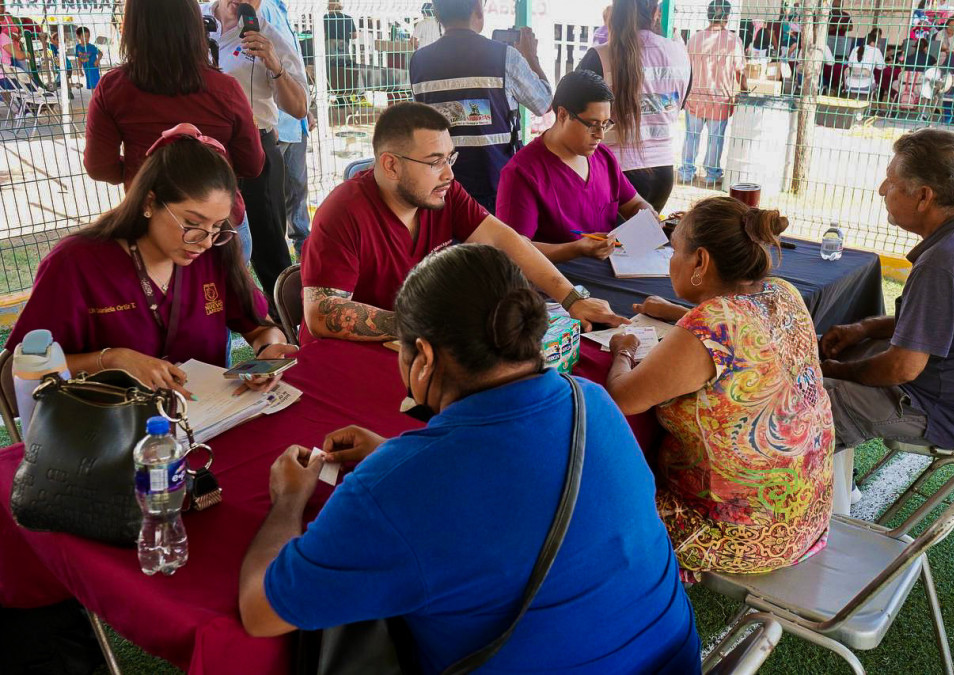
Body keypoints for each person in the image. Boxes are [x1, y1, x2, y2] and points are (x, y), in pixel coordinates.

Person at [238, 244, 702, 673]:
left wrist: (288, 501)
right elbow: (511, 490)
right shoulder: (591, 402)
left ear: (421, 356)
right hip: (673, 659)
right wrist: (391, 460)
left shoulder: (401, 490)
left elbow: (262, 613)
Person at [604, 196, 834, 581]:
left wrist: (622, 351)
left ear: (701, 262)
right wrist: (676, 313)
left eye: (675, 250)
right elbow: (748, 336)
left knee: (594, 496)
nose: (670, 262)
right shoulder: (783, 293)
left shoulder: (712, 324)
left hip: (740, 536)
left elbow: (621, 400)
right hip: (807, 517)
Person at [300, 102, 626, 342]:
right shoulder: (343, 211)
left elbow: (505, 241)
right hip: (349, 361)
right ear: (390, 165)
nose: (449, 174)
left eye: (450, 158)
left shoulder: (443, 192)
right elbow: (321, 313)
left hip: (420, 352)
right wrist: (425, 326)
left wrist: (572, 299)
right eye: (434, 162)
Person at [5, 131, 296, 398]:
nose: (206, 241)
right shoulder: (75, 263)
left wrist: (268, 352)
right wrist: (112, 359)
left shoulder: (214, 253)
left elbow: (261, 328)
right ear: (148, 202)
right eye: (192, 223)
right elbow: (22, 369)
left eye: (217, 226)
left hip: (206, 420)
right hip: (109, 430)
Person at [820, 129, 954, 452]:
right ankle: (841, 487)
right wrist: (864, 328)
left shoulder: (942, 263)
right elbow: (938, 322)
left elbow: (902, 367)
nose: (882, 190)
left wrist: (839, 372)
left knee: (793, 398)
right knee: (826, 358)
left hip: (939, 413)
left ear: (924, 197)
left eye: (891, 182)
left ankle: (812, 494)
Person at [84, 0, 264, 264]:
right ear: (194, 26)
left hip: (150, 223)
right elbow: (253, 164)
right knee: (222, 303)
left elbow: (99, 167)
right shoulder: (225, 89)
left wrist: (143, 173)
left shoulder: (113, 88)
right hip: (218, 228)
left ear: (132, 28)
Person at [203, 0, 309, 315]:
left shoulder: (271, 34)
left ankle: (289, 329)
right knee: (205, 248)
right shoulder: (194, 20)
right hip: (201, 152)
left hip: (254, 148)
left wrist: (275, 66)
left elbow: (299, 107)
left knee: (269, 250)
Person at [496, 70, 656, 262]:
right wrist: (576, 249)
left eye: (605, 124)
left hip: (615, 271)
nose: (600, 134)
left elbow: (634, 204)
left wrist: (647, 215)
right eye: (593, 124)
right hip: (558, 282)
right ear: (563, 114)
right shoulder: (522, 172)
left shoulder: (603, 157)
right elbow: (513, 250)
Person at [409, 0, 552, 213]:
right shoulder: (504, 56)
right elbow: (544, 103)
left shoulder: (418, 61)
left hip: (443, 185)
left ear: (437, 13)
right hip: (497, 183)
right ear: (478, 8)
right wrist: (531, 56)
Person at [577, 0, 692, 212]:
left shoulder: (599, 56)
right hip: (662, 173)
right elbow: (678, 105)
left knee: (609, 244)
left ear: (614, 13)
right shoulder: (680, 53)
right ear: (656, 12)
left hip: (613, 174)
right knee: (643, 243)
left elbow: (572, 111)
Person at [260, 0, 313, 257]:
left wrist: (305, 112)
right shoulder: (261, 7)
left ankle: (305, 262)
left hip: (294, 121)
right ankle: (282, 269)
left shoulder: (278, 7)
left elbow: (291, 67)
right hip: (275, 127)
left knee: (297, 198)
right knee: (274, 206)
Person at [679, 0, 746, 188]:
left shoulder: (695, 39)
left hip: (695, 96)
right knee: (715, 139)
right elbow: (740, 70)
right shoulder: (733, 41)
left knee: (691, 136)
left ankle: (686, 171)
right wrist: (745, 89)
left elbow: (686, 68)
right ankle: (711, 174)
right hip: (720, 98)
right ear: (726, 17)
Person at [323, 0, 358, 104]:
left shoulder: (326, 18)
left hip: (330, 46)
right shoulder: (347, 18)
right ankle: (345, 97)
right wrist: (345, 36)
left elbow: (323, 34)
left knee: (331, 70)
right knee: (344, 70)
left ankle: (335, 95)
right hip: (344, 46)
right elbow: (355, 35)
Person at [844, 28, 886, 93]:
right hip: (866, 86)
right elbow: (881, 67)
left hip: (849, 85)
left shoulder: (855, 49)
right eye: (876, 43)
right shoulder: (876, 51)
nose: (877, 45)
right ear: (872, 42)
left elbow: (849, 65)